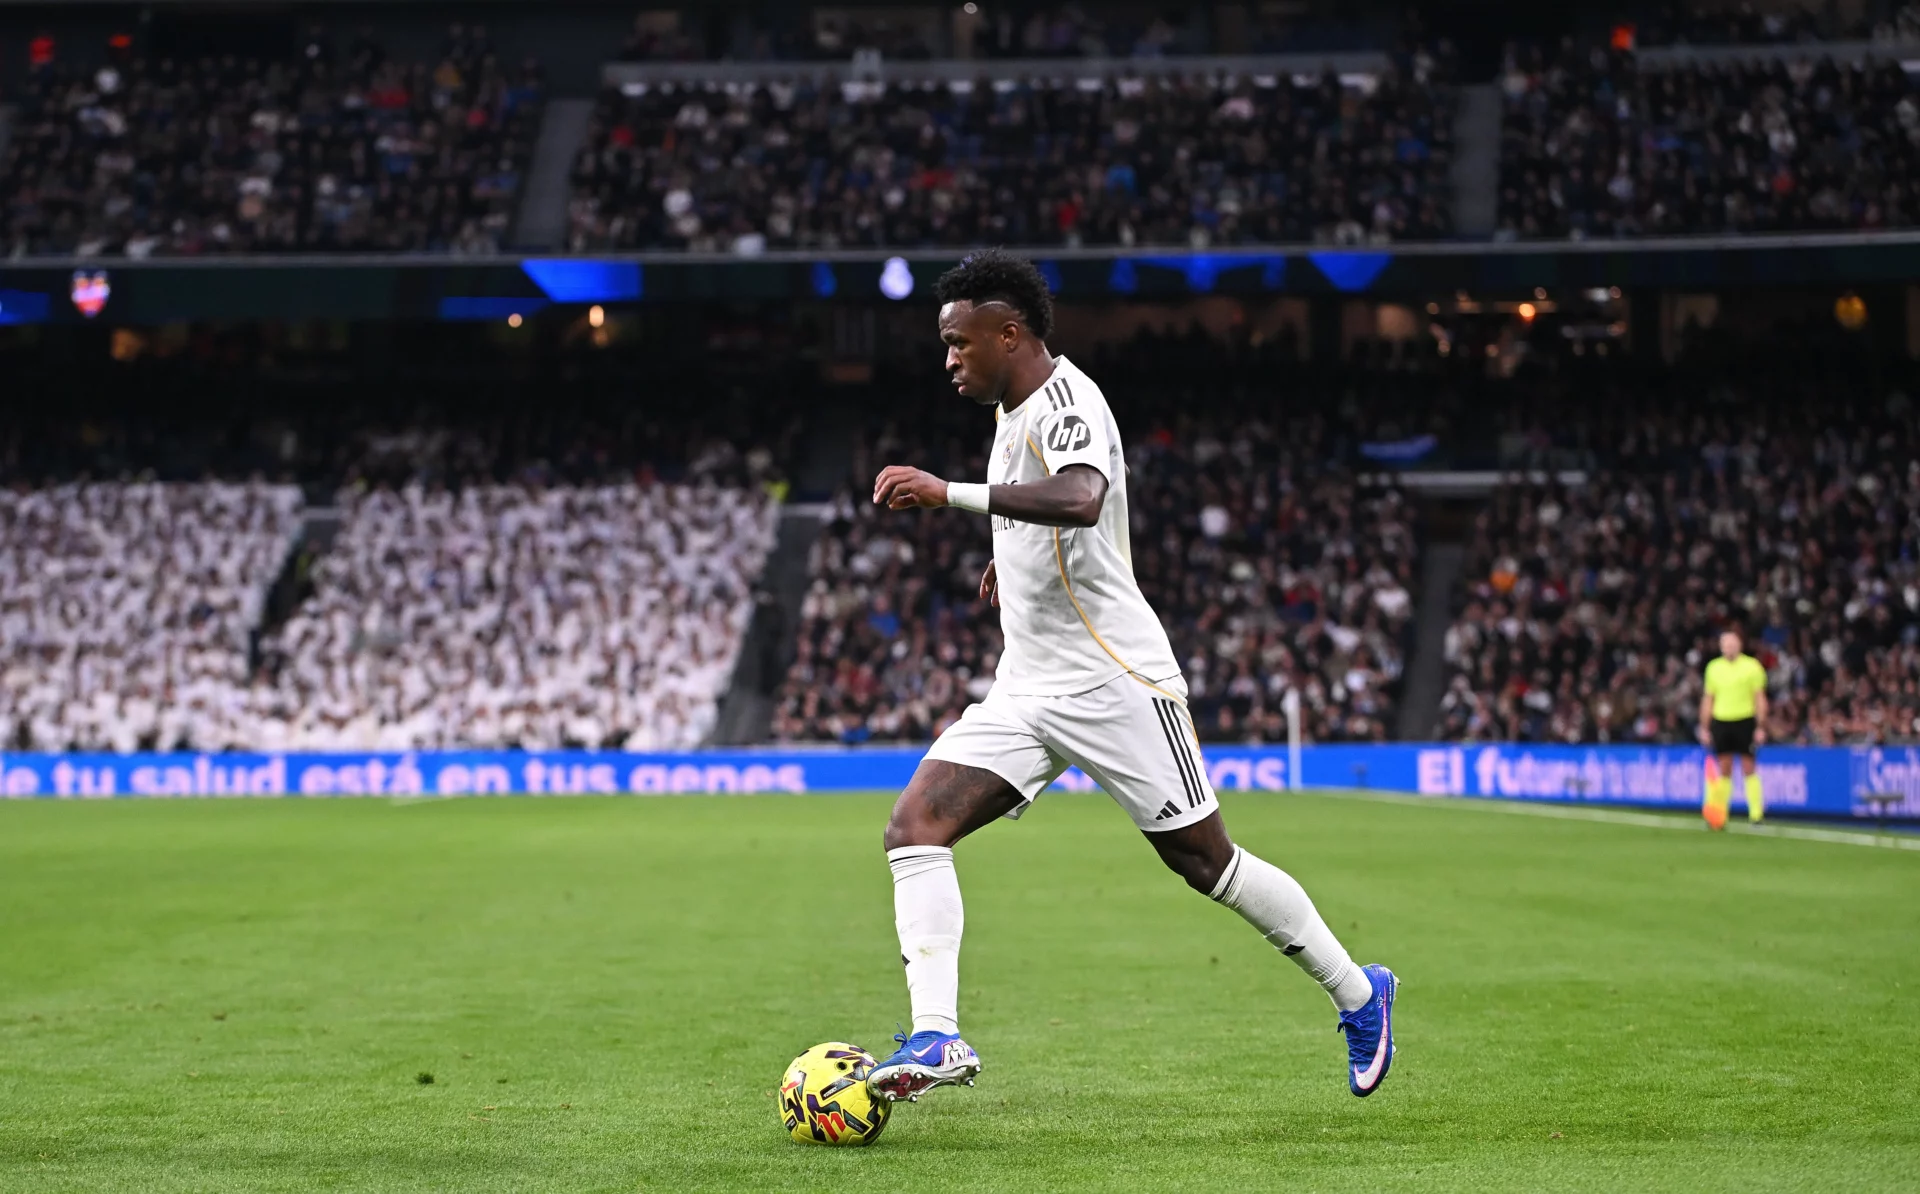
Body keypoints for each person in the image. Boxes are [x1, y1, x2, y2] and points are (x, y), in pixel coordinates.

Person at [862, 249, 1397, 1104]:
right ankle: (938, 1037)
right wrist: (1012, 561)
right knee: (915, 827)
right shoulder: (1009, 408)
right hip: (1030, 685)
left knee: (1206, 863)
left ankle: (1361, 993)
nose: (950, 360)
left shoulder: (1071, 402)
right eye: (945, 344)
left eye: (961, 343)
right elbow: (1056, 519)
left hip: (1117, 682)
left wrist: (948, 494)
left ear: (1012, 333)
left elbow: (1078, 496)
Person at [1698, 628, 1768, 830]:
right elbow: (1708, 699)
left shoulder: (1752, 667)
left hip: (1745, 720)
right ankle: (1720, 814)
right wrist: (1704, 727)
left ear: (1740, 645)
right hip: (1721, 721)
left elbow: (1759, 698)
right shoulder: (1713, 668)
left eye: (1732, 644)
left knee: (1748, 766)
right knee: (1724, 768)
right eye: (1725, 644)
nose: (1729, 648)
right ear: (1721, 647)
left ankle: (1756, 814)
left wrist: (1760, 726)